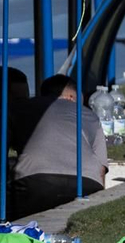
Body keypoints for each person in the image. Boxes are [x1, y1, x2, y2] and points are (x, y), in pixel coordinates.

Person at [6, 75, 106, 217]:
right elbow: (101, 169)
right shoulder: (90, 115)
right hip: (87, 181)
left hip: (34, 181)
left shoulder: (21, 108)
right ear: (71, 97)